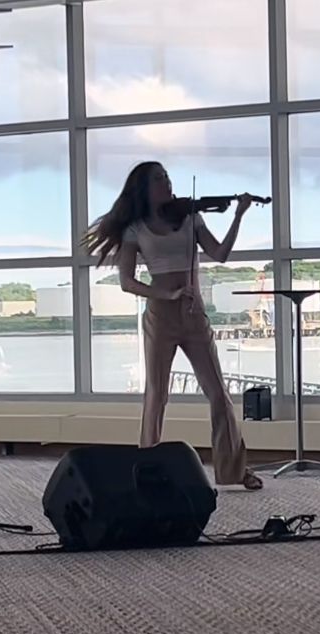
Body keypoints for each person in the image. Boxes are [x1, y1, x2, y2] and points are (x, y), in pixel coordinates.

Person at [81, 161, 263, 490]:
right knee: (157, 395)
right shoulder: (135, 228)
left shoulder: (191, 217)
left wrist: (238, 215)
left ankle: (233, 470)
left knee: (218, 393)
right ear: (143, 188)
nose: (166, 183)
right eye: (158, 179)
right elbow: (127, 282)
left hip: (194, 314)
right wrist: (166, 294)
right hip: (160, 317)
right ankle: (145, 470)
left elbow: (220, 254)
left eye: (166, 177)